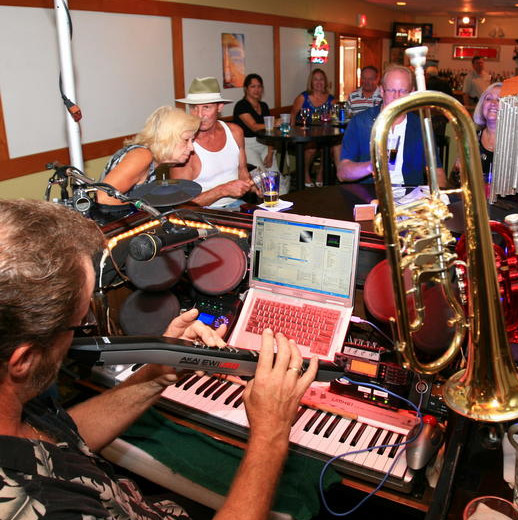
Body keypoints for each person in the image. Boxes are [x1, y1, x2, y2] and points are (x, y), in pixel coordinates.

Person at [0, 199, 318, 520]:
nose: (84, 334)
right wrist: (270, 435)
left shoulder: (13, 408)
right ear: (24, 360)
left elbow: (61, 438)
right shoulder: (38, 508)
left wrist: (157, 375)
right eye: (80, 323)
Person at [338, 65, 445, 187]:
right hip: (370, 194)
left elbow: (437, 171)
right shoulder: (360, 122)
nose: (397, 96)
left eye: (403, 91)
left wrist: (440, 199)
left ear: (412, 93)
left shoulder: (421, 126)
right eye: (391, 90)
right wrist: (372, 166)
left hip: (409, 197)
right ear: (382, 92)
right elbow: (342, 172)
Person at [170, 76, 253, 209]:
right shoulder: (183, 147)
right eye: (194, 108)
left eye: (206, 107)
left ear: (219, 107)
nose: (199, 115)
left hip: (236, 205)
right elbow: (182, 206)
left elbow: (242, 172)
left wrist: (255, 185)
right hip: (202, 213)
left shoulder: (235, 132)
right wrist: (222, 190)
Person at [97, 106, 199, 207]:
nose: (191, 148)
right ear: (167, 138)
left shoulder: (150, 159)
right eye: (186, 140)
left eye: (192, 141)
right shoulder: (141, 156)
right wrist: (147, 211)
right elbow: (104, 197)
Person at [290, 69, 336, 187]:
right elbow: (293, 115)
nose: (318, 82)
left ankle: (320, 174)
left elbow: (335, 118)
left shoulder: (331, 99)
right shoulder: (303, 97)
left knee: (329, 149)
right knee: (311, 149)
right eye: (315, 79)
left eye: (321, 79)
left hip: (325, 134)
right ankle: (305, 175)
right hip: (305, 135)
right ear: (311, 82)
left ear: (325, 82)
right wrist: (292, 133)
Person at [232, 73, 275, 170]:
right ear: (246, 89)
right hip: (247, 145)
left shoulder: (264, 106)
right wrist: (274, 123)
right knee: (262, 177)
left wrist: (270, 152)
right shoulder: (241, 105)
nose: (257, 90)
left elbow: (270, 131)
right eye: (253, 86)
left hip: (265, 143)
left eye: (259, 86)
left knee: (276, 177)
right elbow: (254, 127)